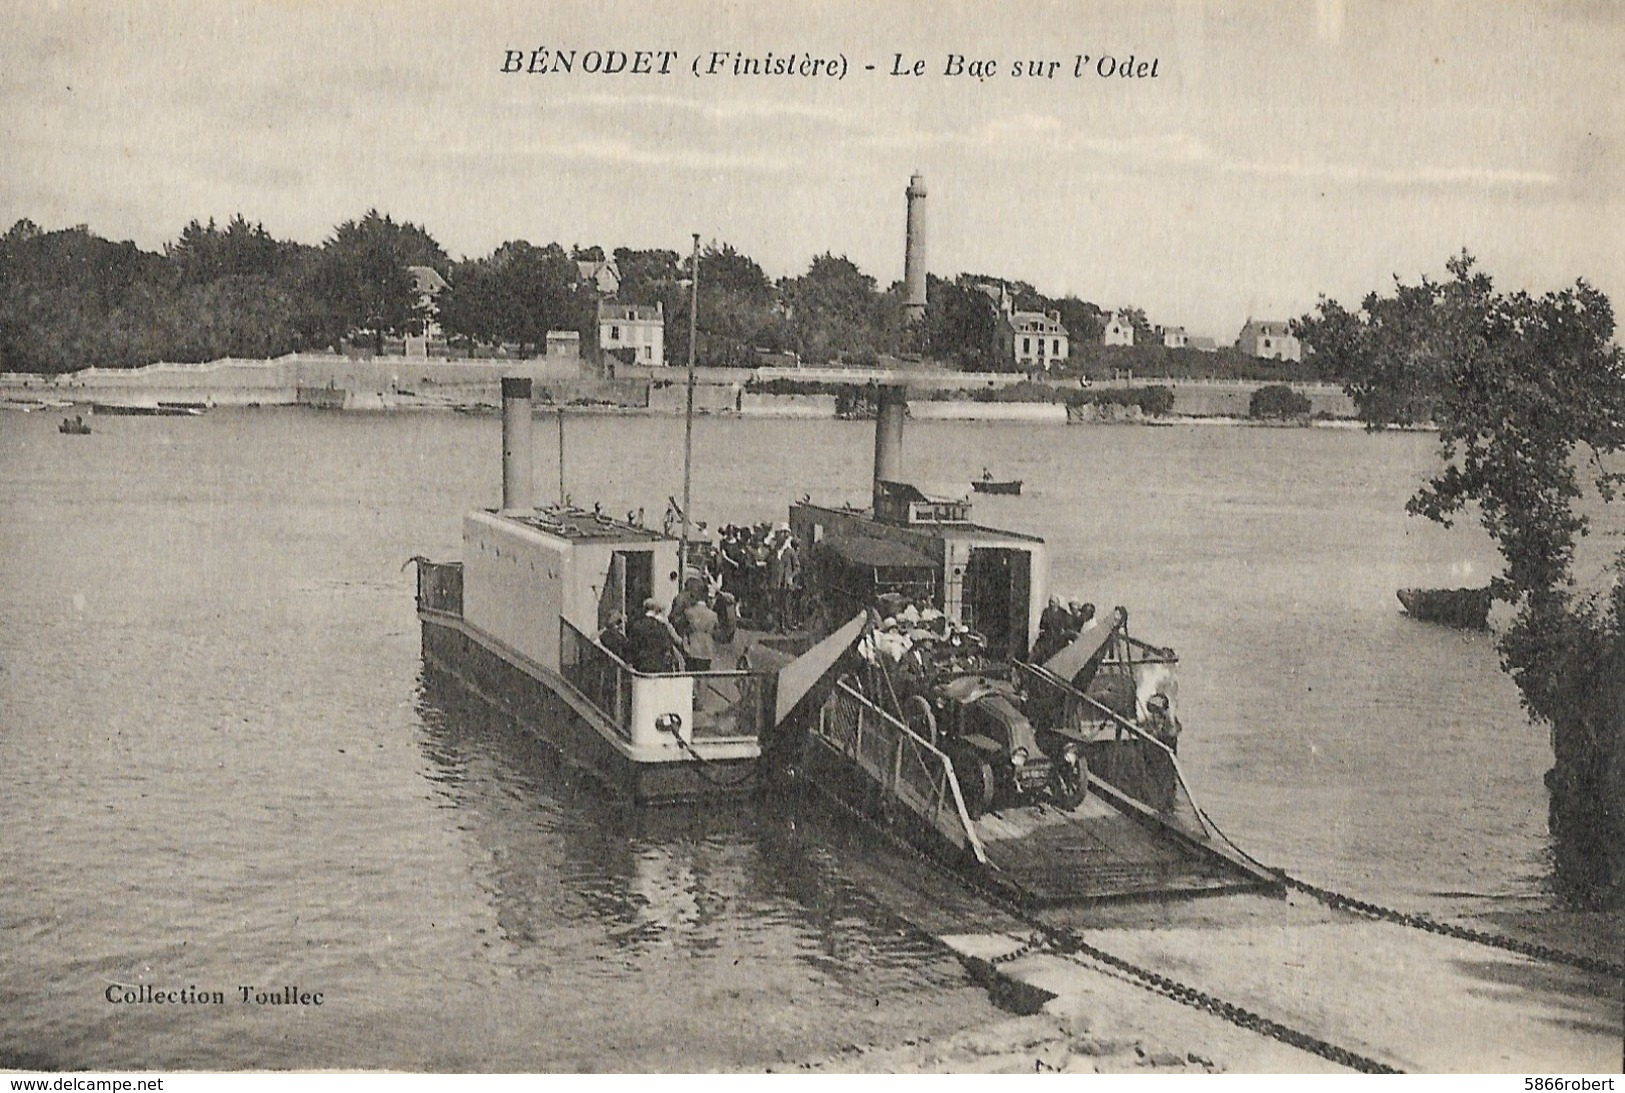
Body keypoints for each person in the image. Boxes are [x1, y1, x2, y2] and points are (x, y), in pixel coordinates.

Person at [626, 597, 683, 674]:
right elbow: (667, 645)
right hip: (659, 664)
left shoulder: (637, 626)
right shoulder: (661, 626)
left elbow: (632, 646)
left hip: (641, 665)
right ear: (656, 610)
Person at [682, 595, 720, 671]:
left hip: (693, 648)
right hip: (707, 650)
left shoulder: (688, 612)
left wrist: (685, 646)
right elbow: (716, 633)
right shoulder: (713, 615)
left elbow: (684, 631)